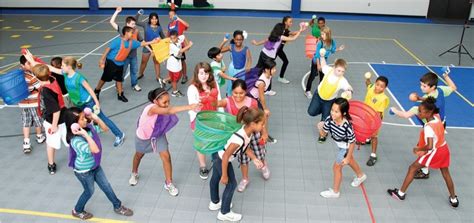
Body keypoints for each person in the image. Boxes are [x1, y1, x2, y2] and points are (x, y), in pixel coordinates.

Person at [25, 52, 126, 147]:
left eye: (63, 65)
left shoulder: (79, 78)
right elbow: (49, 67)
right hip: (78, 103)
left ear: (69, 67)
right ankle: (87, 135)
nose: (61, 67)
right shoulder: (65, 74)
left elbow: (90, 90)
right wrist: (32, 60)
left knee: (102, 119)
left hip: (88, 103)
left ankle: (119, 134)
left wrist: (97, 103)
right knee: (80, 119)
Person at [387, 97, 459, 208]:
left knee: (412, 168)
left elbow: (429, 146)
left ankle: (400, 194)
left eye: (421, 111)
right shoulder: (437, 117)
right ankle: (453, 199)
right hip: (444, 148)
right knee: (446, 173)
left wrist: (418, 149)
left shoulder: (428, 127)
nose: (418, 113)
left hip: (435, 151)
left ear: (429, 112)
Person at [64, 107, 133, 220]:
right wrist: (85, 135)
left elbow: (105, 129)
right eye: (82, 119)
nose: (85, 120)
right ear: (73, 125)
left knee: (106, 186)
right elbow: (95, 149)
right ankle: (77, 210)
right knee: (89, 191)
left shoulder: (88, 128)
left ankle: (118, 206)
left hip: (95, 166)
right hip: (84, 172)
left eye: (84, 117)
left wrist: (95, 117)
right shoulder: (76, 141)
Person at [129, 88, 200, 197]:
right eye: (164, 102)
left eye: (169, 101)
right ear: (155, 101)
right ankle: (134, 173)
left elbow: (167, 112)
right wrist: (190, 107)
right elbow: (169, 111)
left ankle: (169, 183)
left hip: (157, 134)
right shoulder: (152, 109)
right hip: (144, 137)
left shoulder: (161, 107)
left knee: (166, 156)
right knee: (139, 155)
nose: (167, 104)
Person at [391, 70, 457, 179]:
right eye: (421, 85)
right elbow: (453, 87)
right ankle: (425, 168)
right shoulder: (440, 90)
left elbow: (406, 115)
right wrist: (445, 76)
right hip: (441, 124)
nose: (422, 88)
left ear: (432, 87)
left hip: (431, 128)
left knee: (424, 148)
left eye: (424, 86)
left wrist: (394, 110)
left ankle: (425, 171)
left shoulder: (419, 108)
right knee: (428, 146)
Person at [209, 106, 264, 222]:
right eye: (262, 124)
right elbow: (225, 156)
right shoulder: (239, 138)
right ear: (253, 124)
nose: (263, 126)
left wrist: (254, 159)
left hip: (217, 155)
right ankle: (224, 212)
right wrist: (224, 175)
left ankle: (214, 202)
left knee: (215, 177)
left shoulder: (247, 131)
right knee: (231, 184)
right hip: (221, 158)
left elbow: (245, 148)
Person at [215, 80, 270, 192]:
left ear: (246, 91)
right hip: (239, 135)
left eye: (241, 93)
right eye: (235, 93)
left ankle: (263, 165)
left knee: (259, 153)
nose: (238, 96)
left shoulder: (253, 102)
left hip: (253, 133)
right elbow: (214, 104)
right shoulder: (228, 101)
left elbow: (260, 118)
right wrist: (207, 98)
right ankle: (245, 179)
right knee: (243, 159)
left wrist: (264, 132)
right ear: (231, 92)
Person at [318, 98, 367, 198]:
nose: (333, 113)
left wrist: (348, 157)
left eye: (336, 111)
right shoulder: (329, 119)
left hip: (346, 147)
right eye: (332, 110)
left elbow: (352, 142)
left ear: (343, 113)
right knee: (349, 160)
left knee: (336, 167)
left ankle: (335, 192)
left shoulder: (347, 126)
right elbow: (323, 134)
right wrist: (320, 128)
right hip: (340, 146)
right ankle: (361, 176)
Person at [95, 26, 159, 103]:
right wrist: (101, 60)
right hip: (111, 62)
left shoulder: (132, 42)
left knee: (119, 79)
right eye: (131, 32)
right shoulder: (117, 41)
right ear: (126, 33)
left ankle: (120, 94)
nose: (132, 34)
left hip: (121, 63)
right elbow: (107, 49)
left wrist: (153, 42)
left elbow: (142, 43)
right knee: (104, 78)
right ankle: (97, 91)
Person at [307, 52, 353, 143]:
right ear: (334, 68)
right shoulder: (329, 70)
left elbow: (348, 87)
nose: (340, 73)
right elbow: (323, 65)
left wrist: (349, 91)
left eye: (343, 71)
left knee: (324, 119)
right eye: (339, 70)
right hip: (318, 95)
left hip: (329, 101)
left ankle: (322, 135)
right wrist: (322, 56)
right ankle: (323, 110)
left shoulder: (342, 80)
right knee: (311, 112)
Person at [32, 64, 68, 174]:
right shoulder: (53, 79)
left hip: (54, 121)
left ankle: (51, 164)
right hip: (64, 116)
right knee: (70, 140)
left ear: (37, 78)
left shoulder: (46, 92)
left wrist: (53, 126)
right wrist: (30, 58)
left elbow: (56, 110)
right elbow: (43, 67)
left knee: (51, 143)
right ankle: (78, 158)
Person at [252, 22, 304, 96]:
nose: (284, 30)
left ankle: (252, 81)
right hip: (269, 58)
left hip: (263, 53)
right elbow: (293, 38)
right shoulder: (281, 37)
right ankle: (267, 90)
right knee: (269, 73)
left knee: (259, 69)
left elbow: (265, 40)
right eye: (283, 29)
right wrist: (300, 30)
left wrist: (256, 43)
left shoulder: (272, 35)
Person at [187, 62, 219, 179]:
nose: (204, 75)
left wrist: (220, 115)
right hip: (199, 120)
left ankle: (216, 160)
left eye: (206, 72)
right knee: (201, 143)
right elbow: (193, 107)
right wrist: (202, 103)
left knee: (215, 140)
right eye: (201, 73)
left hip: (213, 118)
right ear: (197, 74)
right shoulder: (192, 88)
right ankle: (203, 166)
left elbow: (218, 100)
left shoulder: (214, 84)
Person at [109, 7, 150, 92]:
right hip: (124, 57)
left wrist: (150, 49)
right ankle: (118, 85)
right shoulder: (122, 30)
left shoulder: (136, 31)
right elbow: (111, 22)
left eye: (134, 24)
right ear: (127, 24)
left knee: (134, 71)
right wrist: (117, 11)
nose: (134, 25)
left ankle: (134, 84)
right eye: (132, 24)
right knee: (122, 71)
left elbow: (142, 41)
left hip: (133, 56)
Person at [305, 26, 344, 99]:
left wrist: (339, 49)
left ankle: (320, 91)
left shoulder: (332, 42)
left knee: (322, 77)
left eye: (323, 34)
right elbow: (317, 54)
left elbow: (332, 51)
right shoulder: (320, 43)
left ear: (328, 34)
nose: (322, 36)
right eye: (321, 34)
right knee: (312, 76)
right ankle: (307, 91)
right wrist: (318, 65)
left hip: (324, 61)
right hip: (316, 60)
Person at [248, 59, 278, 144]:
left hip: (255, 98)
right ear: (266, 69)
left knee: (261, 117)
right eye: (273, 69)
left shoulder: (269, 75)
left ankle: (263, 134)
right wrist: (265, 108)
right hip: (252, 98)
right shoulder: (262, 81)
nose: (275, 70)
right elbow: (261, 96)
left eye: (274, 68)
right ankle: (265, 136)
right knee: (264, 115)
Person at [363, 75, 390, 166]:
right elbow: (368, 84)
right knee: (365, 129)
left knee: (374, 136)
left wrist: (374, 124)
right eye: (377, 84)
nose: (378, 87)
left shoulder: (383, 98)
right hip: (366, 115)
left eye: (381, 86)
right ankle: (367, 139)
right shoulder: (371, 87)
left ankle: (373, 155)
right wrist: (367, 78)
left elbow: (379, 113)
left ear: (385, 88)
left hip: (375, 119)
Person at [136, 12, 166, 86]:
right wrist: (138, 13)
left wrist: (167, 43)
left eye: (156, 19)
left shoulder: (159, 27)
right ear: (150, 19)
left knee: (156, 62)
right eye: (152, 19)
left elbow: (163, 37)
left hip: (156, 48)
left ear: (157, 19)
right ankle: (141, 74)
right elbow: (135, 21)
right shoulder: (145, 24)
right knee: (143, 62)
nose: (154, 20)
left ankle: (158, 76)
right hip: (147, 46)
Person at [219, 30, 252, 96]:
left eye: (240, 39)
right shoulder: (231, 47)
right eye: (237, 39)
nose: (238, 41)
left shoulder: (246, 49)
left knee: (240, 84)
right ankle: (229, 95)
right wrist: (224, 41)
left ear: (243, 39)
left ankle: (239, 96)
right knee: (231, 83)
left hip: (241, 71)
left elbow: (249, 59)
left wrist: (248, 66)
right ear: (234, 39)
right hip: (232, 69)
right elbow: (219, 51)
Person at [166, 30, 193, 97]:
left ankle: (164, 80)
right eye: (171, 38)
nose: (172, 40)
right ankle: (174, 92)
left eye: (174, 38)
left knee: (179, 75)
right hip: (173, 63)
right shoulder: (171, 45)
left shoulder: (180, 38)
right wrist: (189, 45)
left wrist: (187, 45)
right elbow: (181, 51)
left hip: (178, 62)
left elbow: (183, 37)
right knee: (174, 79)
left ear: (177, 37)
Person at [167, 9, 190, 84]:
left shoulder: (179, 23)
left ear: (175, 15)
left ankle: (184, 76)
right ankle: (173, 77)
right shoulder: (169, 25)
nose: (171, 16)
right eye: (170, 15)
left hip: (180, 45)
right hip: (173, 47)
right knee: (174, 61)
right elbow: (168, 35)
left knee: (182, 61)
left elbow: (187, 25)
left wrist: (178, 18)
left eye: (172, 15)